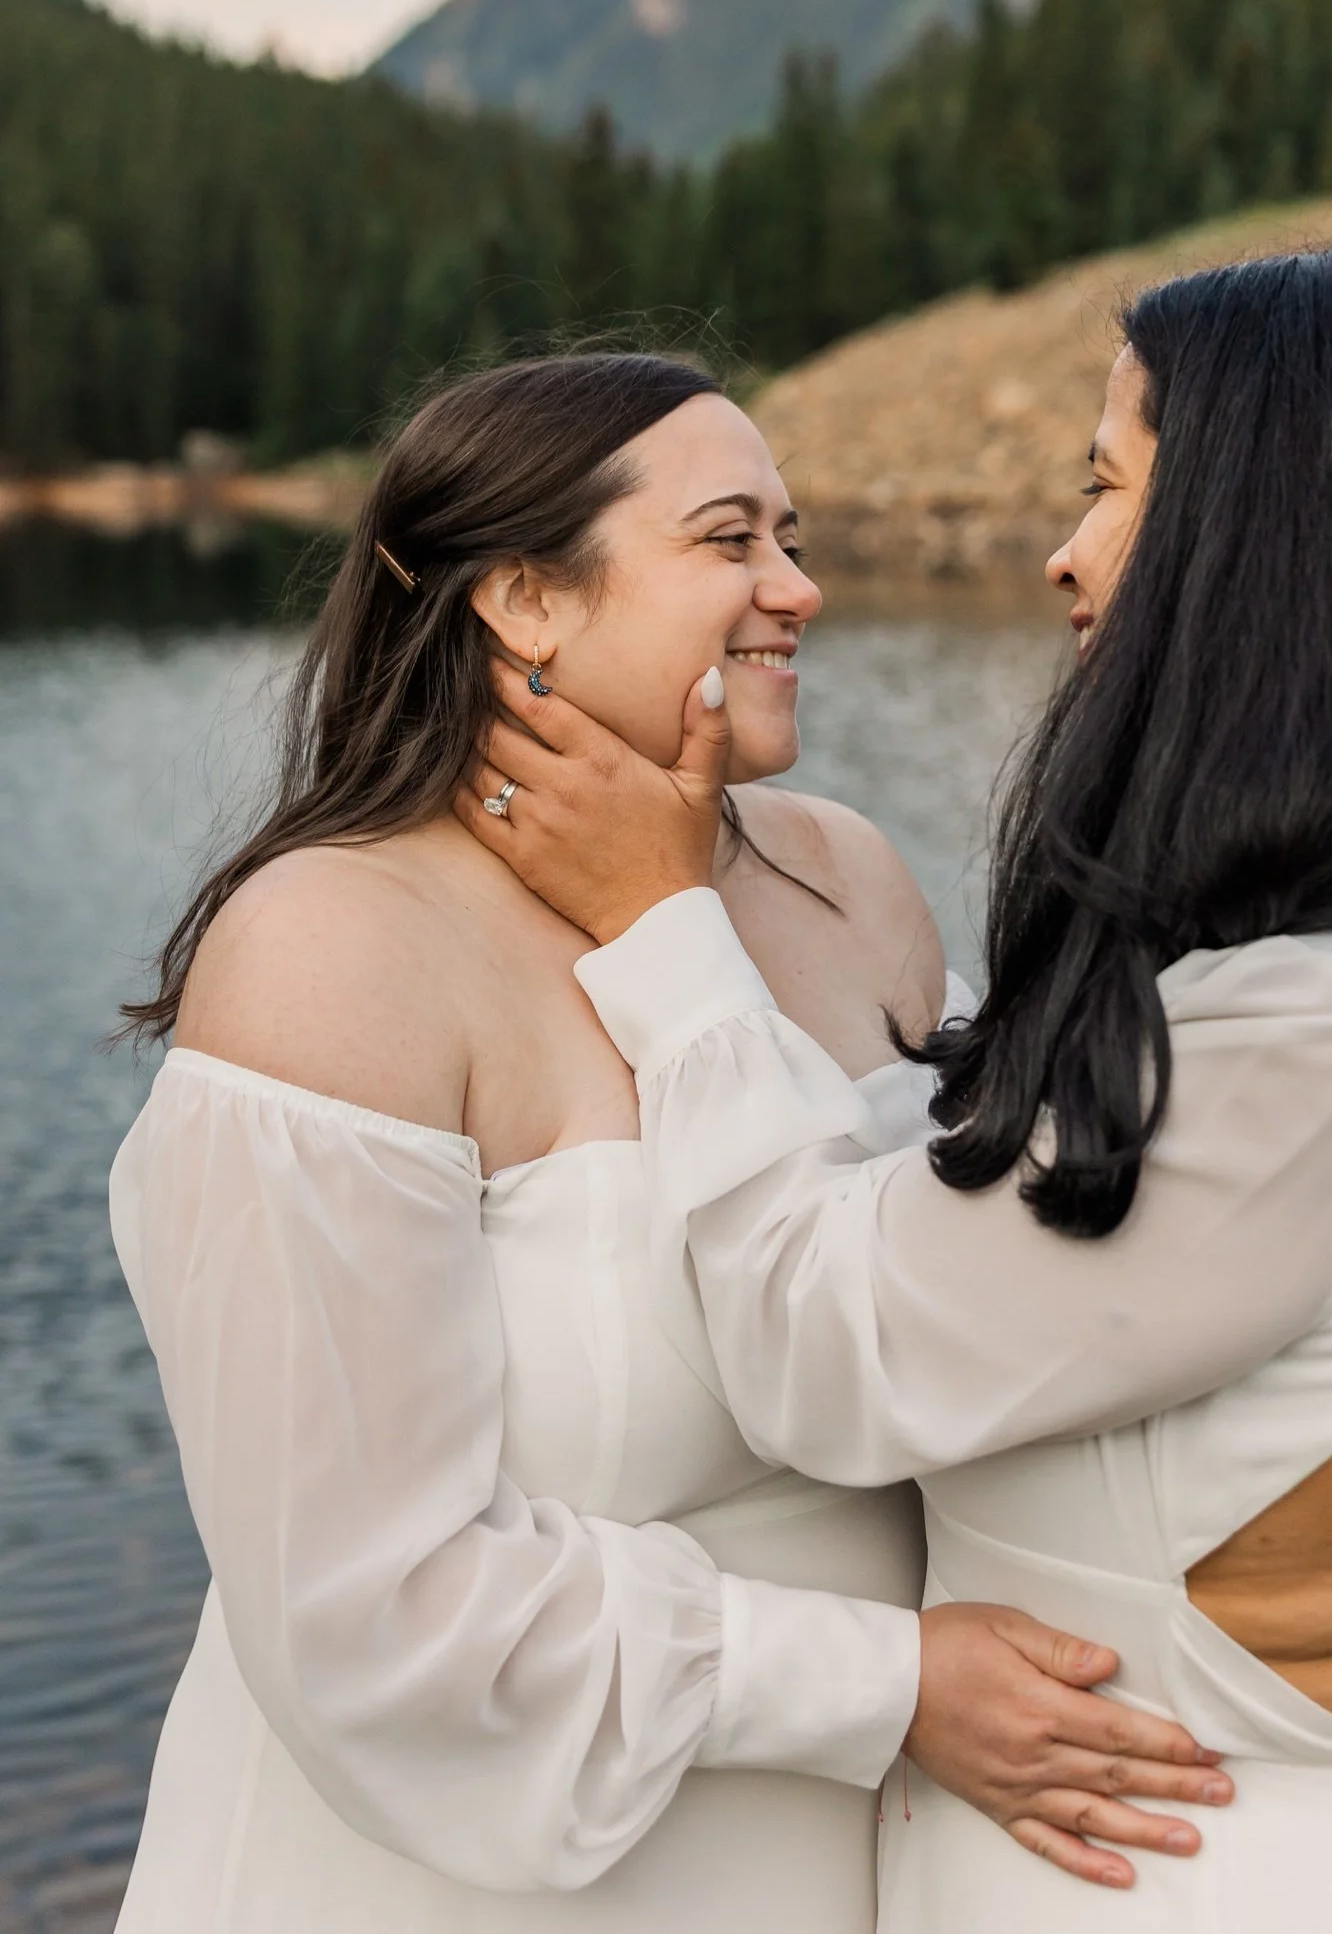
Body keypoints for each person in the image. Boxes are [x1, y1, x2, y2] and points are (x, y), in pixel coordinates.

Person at [109, 353, 1222, 1934]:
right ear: (524, 600)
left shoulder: (847, 881)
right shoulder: (333, 946)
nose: (800, 589)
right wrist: (890, 1685)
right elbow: (365, 1611)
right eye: (730, 540)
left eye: (794, 537)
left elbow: (983, 1309)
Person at [458, 251, 1332, 1929]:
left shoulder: (1307, 1045)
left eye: (1108, 486)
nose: (1064, 552)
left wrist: (663, 928)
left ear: (1272, 536)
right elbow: (1034, 1213)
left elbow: (827, 1348)